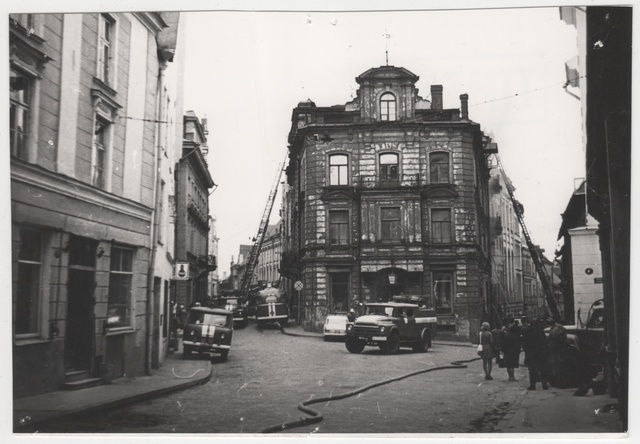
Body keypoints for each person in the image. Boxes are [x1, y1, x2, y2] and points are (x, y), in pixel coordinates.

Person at [521, 318, 549, 390]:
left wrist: (526, 350)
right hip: (540, 353)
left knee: (532, 370)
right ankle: (544, 384)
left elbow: (524, 342)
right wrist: (544, 350)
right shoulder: (540, 331)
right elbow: (545, 341)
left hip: (531, 353)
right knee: (542, 369)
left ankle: (532, 385)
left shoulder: (527, 331)